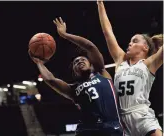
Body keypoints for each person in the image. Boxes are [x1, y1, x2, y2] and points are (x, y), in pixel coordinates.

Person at [28, 17, 124, 136]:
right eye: (75, 62)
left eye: (83, 59)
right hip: (87, 130)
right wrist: (39, 63)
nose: (79, 61)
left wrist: (65, 35)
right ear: (74, 72)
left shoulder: (102, 72)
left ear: (91, 64)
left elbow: (90, 47)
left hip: (112, 128)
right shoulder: (73, 89)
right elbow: (51, 80)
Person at [97, 1, 163, 136]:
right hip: (122, 119)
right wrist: (100, 4)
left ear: (145, 47)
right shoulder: (120, 60)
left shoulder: (149, 63)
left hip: (142, 115)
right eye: (130, 41)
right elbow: (107, 32)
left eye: (135, 41)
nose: (130, 43)